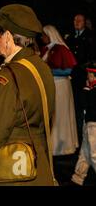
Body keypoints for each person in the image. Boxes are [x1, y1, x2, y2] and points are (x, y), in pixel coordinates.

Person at [0, 4, 56, 185]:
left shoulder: (7, 77)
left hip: (9, 170)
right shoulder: (41, 67)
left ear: (7, 36)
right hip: (38, 164)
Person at [40, 25, 78, 156]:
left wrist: (48, 71)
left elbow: (68, 70)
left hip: (61, 86)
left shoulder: (61, 49)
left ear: (50, 35)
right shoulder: (46, 49)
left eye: (44, 35)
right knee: (53, 115)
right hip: (51, 85)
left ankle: (62, 147)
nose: (42, 37)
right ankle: (52, 145)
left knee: (60, 115)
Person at [65, 13, 95, 145]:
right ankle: (76, 136)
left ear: (84, 22)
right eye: (75, 20)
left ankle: (85, 137)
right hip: (72, 77)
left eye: (79, 20)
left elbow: (91, 57)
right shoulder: (70, 37)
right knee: (74, 107)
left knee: (83, 106)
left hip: (83, 77)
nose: (76, 22)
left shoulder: (90, 37)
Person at [71, 62, 96, 185]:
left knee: (93, 154)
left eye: (90, 75)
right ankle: (78, 178)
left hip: (94, 125)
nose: (88, 77)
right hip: (89, 124)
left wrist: (86, 90)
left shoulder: (91, 91)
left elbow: (84, 103)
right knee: (85, 154)